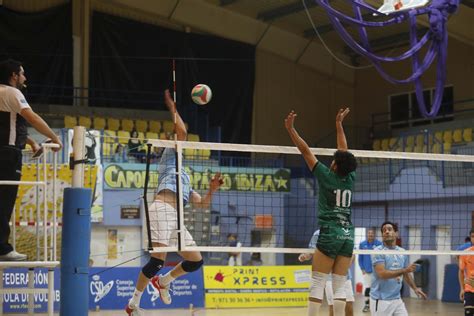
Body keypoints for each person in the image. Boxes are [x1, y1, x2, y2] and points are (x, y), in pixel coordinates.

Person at [125, 90, 223, 315]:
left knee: (195, 261)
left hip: (177, 218)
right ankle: (133, 304)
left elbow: (201, 204)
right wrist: (172, 108)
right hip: (162, 209)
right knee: (157, 261)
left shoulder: (185, 175)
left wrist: (212, 189)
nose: (178, 138)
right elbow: (182, 130)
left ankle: (164, 281)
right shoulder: (170, 155)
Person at [285, 108, 357, 316]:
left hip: (330, 231)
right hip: (347, 234)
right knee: (340, 283)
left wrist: (291, 130)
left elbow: (306, 151)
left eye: (334, 160)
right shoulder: (350, 178)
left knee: (318, 281)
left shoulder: (327, 176)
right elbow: (343, 151)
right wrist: (338, 125)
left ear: (334, 165)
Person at [0, 59, 62, 261]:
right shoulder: (12, 92)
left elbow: (8, 126)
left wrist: (29, 142)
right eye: (22, 73)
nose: (25, 77)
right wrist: (54, 137)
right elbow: (32, 118)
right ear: (14, 75)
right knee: (5, 201)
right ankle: (2, 248)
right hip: (8, 155)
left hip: (6, 150)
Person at [370, 221, 427, 316]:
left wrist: (415, 288)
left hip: (397, 299)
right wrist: (405, 270)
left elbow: (406, 273)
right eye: (384, 230)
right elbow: (382, 274)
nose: (387, 232)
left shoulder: (402, 252)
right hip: (381, 300)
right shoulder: (378, 251)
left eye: (389, 229)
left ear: (396, 233)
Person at [299, 229, 355, 316]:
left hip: (344, 276)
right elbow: (311, 250)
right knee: (332, 306)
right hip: (328, 277)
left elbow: (352, 254)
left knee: (349, 305)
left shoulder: (346, 232)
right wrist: (305, 256)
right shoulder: (318, 233)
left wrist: (344, 267)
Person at [358, 228, 382, 312]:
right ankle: (367, 305)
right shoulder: (362, 244)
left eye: (372, 233)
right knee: (367, 288)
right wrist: (362, 268)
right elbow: (360, 258)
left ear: (374, 235)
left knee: (377, 288)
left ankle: (377, 305)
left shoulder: (379, 244)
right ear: (367, 234)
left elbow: (382, 257)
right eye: (369, 233)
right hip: (367, 271)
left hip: (377, 271)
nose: (370, 235)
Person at [459, 241, 474, 316]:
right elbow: (461, 271)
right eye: (472, 236)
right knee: (468, 313)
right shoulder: (466, 253)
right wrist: (462, 288)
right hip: (469, 289)